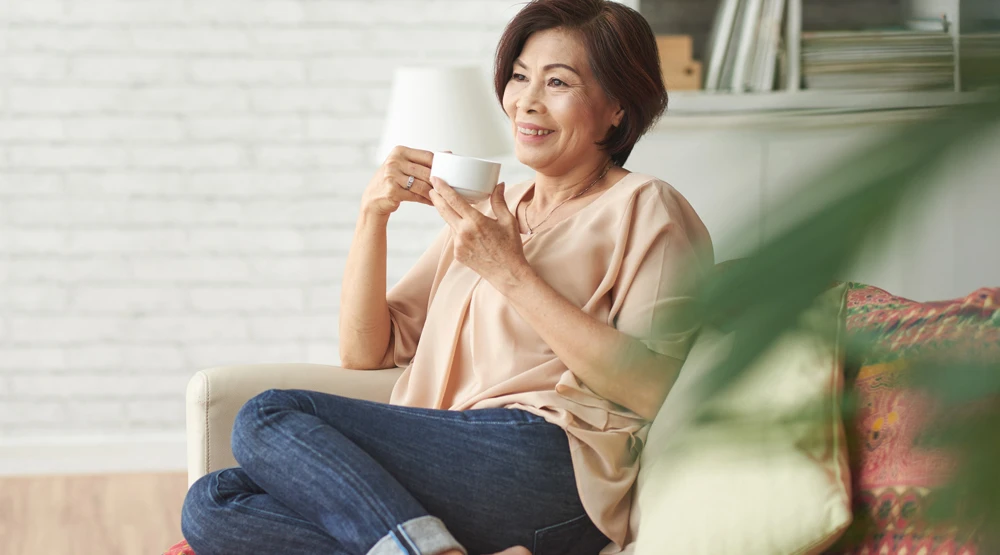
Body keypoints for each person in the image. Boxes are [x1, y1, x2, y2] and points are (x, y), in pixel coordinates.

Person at [180, 0, 714, 554]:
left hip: (550, 467)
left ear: (618, 109)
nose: (526, 101)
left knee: (268, 413)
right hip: (453, 464)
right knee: (216, 501)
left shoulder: (645, 206)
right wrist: (373, 215)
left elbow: (652, 386)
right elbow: (368, 352)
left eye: (558, 82)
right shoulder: (491, 210)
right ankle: (429, 545)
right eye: (519, 77)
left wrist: (510, 273)